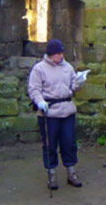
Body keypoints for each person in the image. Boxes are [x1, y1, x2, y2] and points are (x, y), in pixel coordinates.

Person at [28, 39, 84, 190]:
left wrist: (78, 83)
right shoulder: (39, 69)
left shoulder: (68, 67)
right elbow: (34, 89)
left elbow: (73, 87)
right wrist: (40, 102)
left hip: (67, 110)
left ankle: (71, 172)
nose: (60, 56)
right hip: (49, 112)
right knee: (50, 144)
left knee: (69, 143)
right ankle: (51, 173)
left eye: (61, 53)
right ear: (50, 54)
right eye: (57, 54)